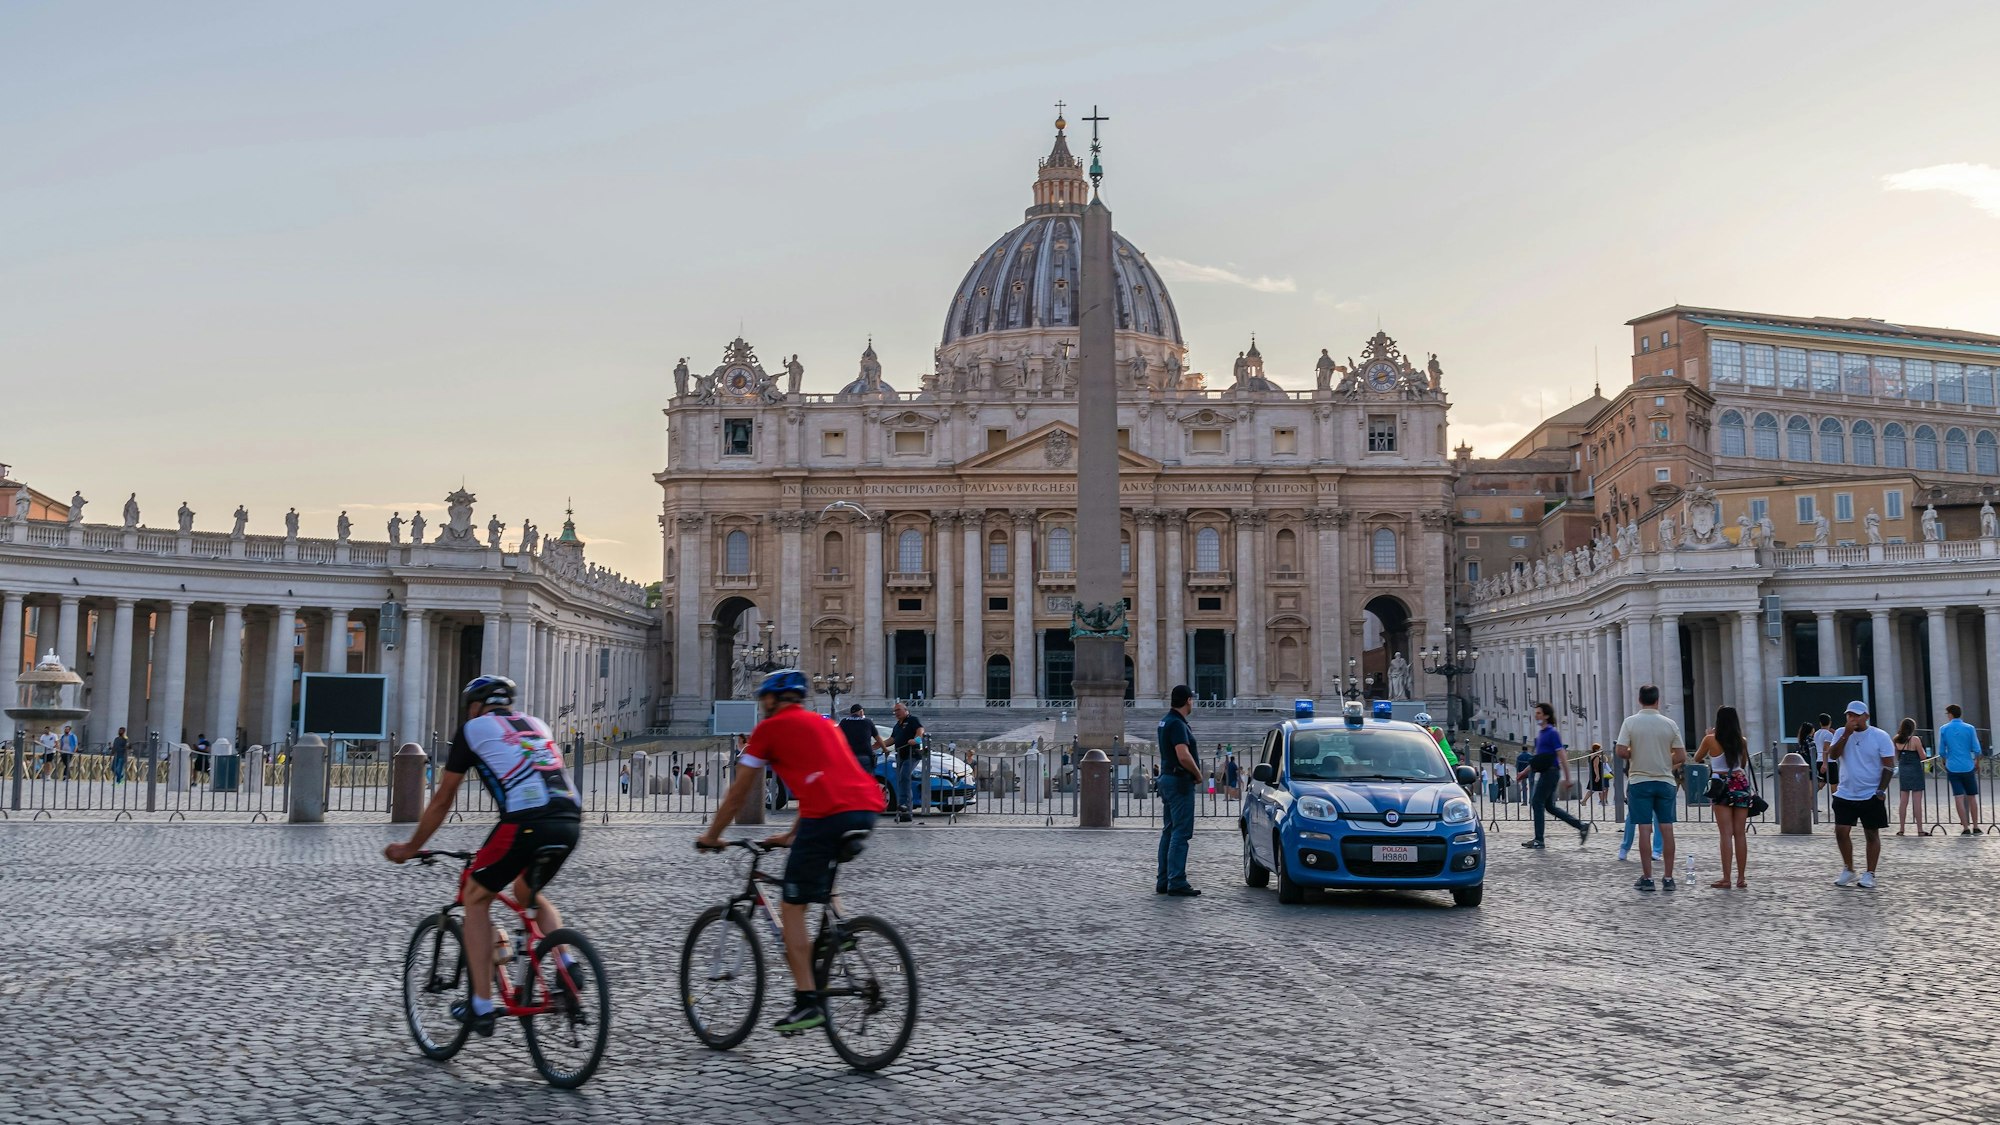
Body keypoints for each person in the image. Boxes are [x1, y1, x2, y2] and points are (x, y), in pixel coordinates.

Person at [384, 675, 582, 1036]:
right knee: (527, 893)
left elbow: (444, 799)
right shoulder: (536, 723)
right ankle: (566, 963)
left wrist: (410, 847)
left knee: (476, 897)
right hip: (570, 819)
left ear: (475, 706)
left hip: (526, 820)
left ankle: (481, 1005)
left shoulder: (473, 728)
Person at [695, 670, 885, 1033]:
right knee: (824, 874)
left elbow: (738, 792)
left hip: (829, 816)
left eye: (762, 701)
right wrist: (791, 834)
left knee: (792, 908)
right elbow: (823, 779)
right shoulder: (824, 724)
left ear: (771, 700)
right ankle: (839, 931)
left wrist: (712, 835)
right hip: (865, 809)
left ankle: (806, 1001)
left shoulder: (769, 730)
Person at [1615, 684, 1686, 892]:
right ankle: (1668, 877)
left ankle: (1647, 878)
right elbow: (1681, 756)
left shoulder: (1630, 723)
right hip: (1665, 781)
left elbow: (1620, 750)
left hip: (1639, 781)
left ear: (1639, 700)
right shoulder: (1670, 724)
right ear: (1658, 700)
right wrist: (1665, 760)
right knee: (1667, 828)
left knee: (1644, 829)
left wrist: (1635, 754)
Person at [1825, 700, 1895, 889]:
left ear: (1866, 717)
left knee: (1871, 833)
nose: (1852, 718)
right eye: (1849, 715)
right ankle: (1849, 868)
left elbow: (1889, 765)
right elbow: (1833, 755)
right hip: (1846, 791)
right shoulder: (1841, 733)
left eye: (1856, 715)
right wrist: (1846, 734)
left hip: (1870, 792)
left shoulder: (1880, 736)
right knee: (1841, 831)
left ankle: (1870, 873)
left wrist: (1881, 790)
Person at [1694, 706, 1756, 889]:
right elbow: (1742, 763)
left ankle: (1726, 878)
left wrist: (1708, 735)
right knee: (1740, 834)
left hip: (1721, 785)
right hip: (1741, 784)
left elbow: (1697, 758)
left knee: (1725, 834)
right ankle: (1741, 878)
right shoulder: (1741, 741)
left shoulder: (1710, 739)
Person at [1520, 703, 1590, 848]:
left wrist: (1568, 777)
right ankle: (1581, 826)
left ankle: (1539, 839)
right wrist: (1524, 772)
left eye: (1539, 713)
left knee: (1536, 802)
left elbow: (1561, 755)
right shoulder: (1541, 734)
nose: (1536, 715)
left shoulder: (1552, 733)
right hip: (1546, 772)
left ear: (1546, 715)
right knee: (1550, 807)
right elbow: (1538, 759)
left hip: (1551, 773)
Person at [1155, 685, 1201, 896]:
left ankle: (1164, 880)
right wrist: (1198, 774)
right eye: (1192, 699)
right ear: (1188, 700)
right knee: (1181, 833)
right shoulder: (1177, 724)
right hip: (1179, 781)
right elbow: (1183, 755)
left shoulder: (1166, 721)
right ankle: (1177, 880)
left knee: (1169, 831)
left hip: (1167, 779)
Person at [1936, 703, 1986, 836]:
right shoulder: (1970, 728)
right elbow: (1977, 748)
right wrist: (1976, 762)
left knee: (1958, 797)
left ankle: (1965, 827)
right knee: (1972, 797)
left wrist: (1946, 761)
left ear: (1951, 714)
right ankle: (1976, 826)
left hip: (1953, 766)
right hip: (1967, 765)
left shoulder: (1944, 729)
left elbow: (1941, 751)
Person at [1892, 718, 1932, 837]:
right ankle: (1919, 829)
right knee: (1917, 802)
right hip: (1915, 770)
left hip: (1904, 771)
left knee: (1903, 801)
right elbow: (1923, 756)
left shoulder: (1896, 739)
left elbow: (1896, 756)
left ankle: (1902, 828)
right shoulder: (1915, 739)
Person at [888, 701, 925, 822]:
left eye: (898, 710)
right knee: (901, 780)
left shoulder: (913, 720)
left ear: (905, 710)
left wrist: (916, 740)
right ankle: (905, 812)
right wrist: (878, 745)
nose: (896, 713)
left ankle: (904, 805)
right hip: (901, 755)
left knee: (904, 776)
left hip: (912, 754)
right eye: (894, 711)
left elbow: (920, 731)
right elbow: (892, 739)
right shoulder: (897, 725)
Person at [836, 703, 883, 776]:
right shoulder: (867, 722)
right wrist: (885, 749)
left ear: (851, 713)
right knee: (866, 781)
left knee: (850, 780)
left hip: (849, 758)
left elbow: (836, 737)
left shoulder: (844, 722)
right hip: (865, 757)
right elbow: (878, 738)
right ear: (861, 712)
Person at [1812, 714, 1839, 792]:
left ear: (1820, 723)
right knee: (1834, 784)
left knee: (1822, 782)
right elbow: (1825, 749)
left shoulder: (1816, 733)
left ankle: (1811, 796)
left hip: (1819, 760)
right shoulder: (1828, 734)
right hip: (1828, 761)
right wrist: (1825, 763)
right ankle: (1835, 800)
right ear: (1830, 722)